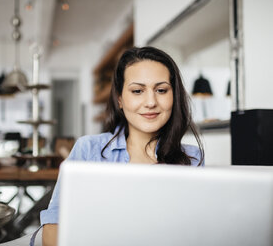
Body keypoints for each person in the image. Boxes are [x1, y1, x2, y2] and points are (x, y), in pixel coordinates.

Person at [39, 46, 204, 246]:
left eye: (161, 90)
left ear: (174, 96)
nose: (151, 102)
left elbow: (194, 232)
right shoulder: (89, 150)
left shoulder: (192, 158)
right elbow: (53, 228)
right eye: (137, 91)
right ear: (120, 99)